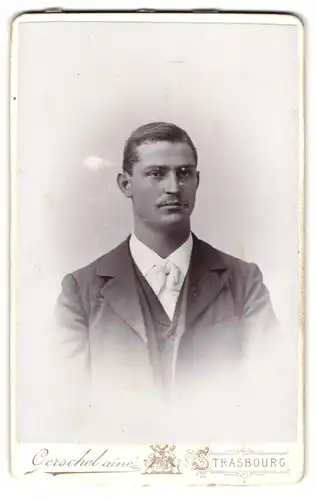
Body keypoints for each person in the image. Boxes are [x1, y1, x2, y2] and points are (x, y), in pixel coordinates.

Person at [55, 122, 281, 441]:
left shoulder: (245, 282)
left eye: (184, 173)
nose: (173, 187)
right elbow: (67, 411)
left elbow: (273, 395)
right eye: (156, 173)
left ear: (197, 181)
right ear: (125, 184)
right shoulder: (80, 291)